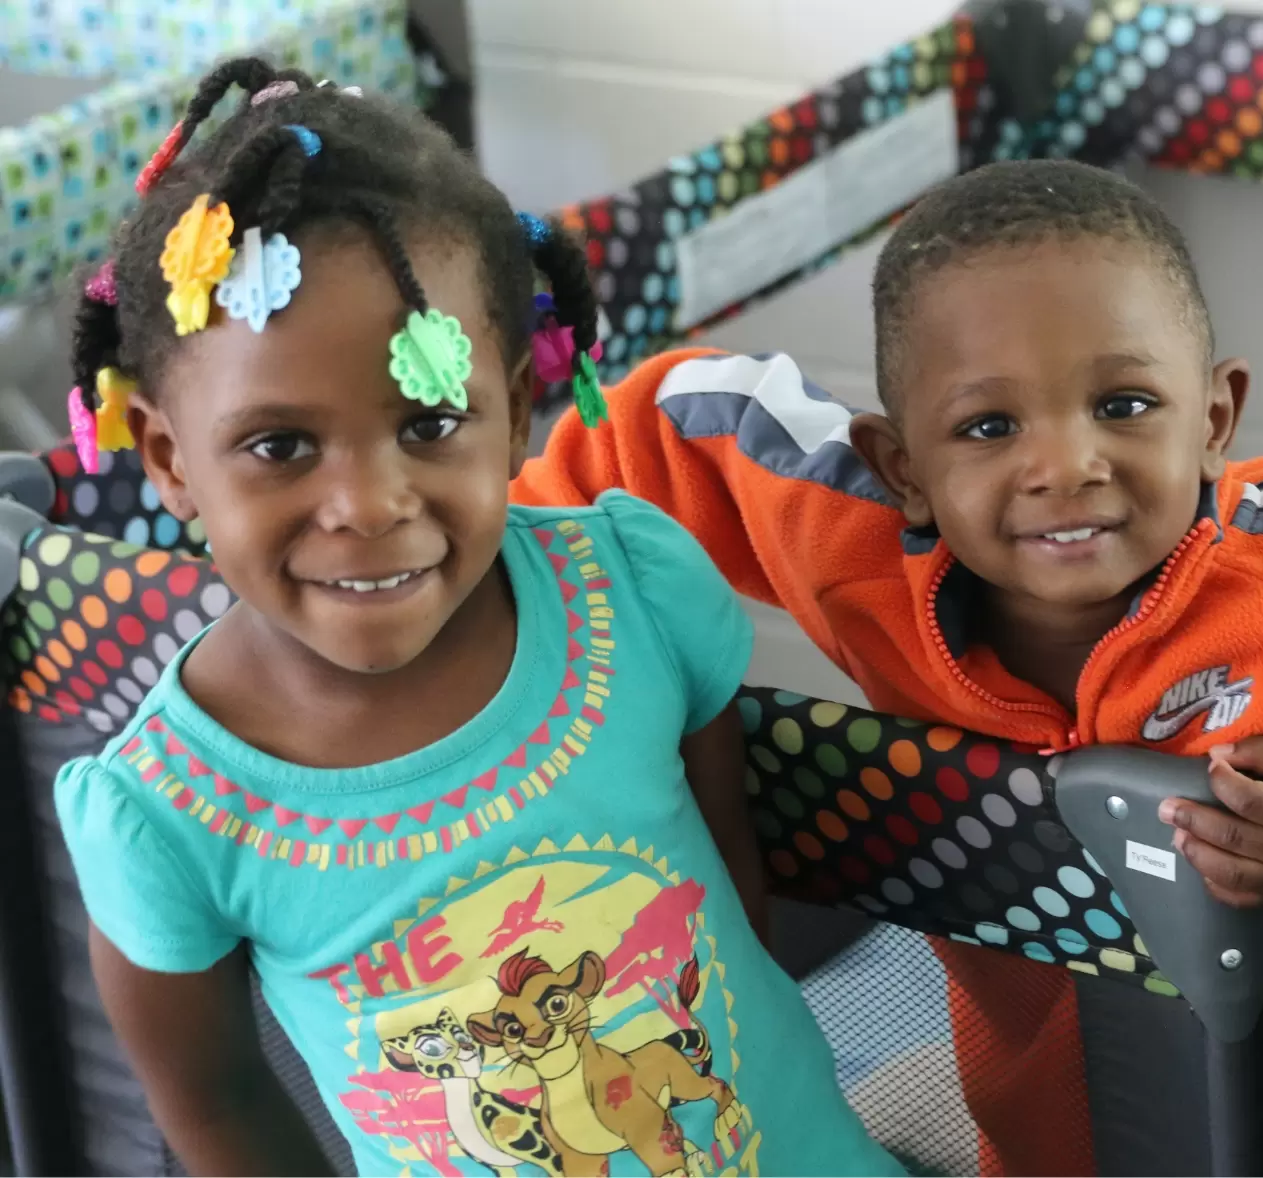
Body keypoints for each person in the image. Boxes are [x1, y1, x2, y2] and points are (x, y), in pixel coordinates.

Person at [54, 57, 899, 1178]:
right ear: (169, 457)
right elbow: (212, 1105)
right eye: (279, 445)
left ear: (516, 413)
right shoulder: (164, 815)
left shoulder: (635, 596)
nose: (368, 505)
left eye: (429, 422)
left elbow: (728, 890)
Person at [512, 160, 1263, 1175]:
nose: (1064, 464)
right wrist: (508, 590)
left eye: (1122, 404)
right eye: (988, 427)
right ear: (901, 469)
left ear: (1212, 421)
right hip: (1033, 1112)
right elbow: (663, 425)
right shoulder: (857, 544)